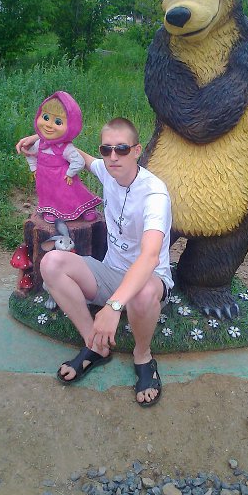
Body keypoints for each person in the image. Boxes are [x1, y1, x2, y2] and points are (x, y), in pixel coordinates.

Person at [16, 117, 173, 406]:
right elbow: (81, 157)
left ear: (137, 151)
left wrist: (113, 306)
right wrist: (42, 140)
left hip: (149, 281)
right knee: (51, 263)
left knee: (144, 293)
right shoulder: (108, 171)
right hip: (110, 272)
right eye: (106, 149)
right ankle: (96, 345)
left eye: (122, 149)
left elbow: (150, 256)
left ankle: (143, 356)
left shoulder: (154, 194)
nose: (113, 157)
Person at [25, 91, 101, 223]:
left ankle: (84, 209)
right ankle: (50, 210)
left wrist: (70, 173)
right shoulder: (39, 144)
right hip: (45, 178)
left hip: (62, 178)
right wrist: (34, 168)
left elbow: (79, 161)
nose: (48, 125)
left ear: (71, 126)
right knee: (49, 194)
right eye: (45, 117)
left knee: (70, 194)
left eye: (58, 122)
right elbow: (29, 153)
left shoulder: (66, 148)